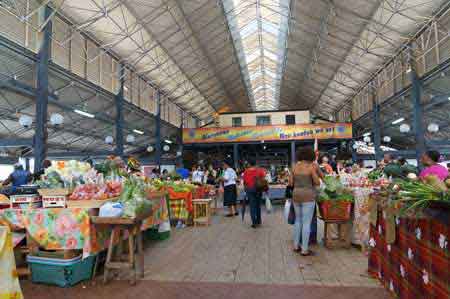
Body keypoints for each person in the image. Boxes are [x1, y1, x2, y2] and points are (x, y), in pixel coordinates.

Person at [290, 147, 321, 256]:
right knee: (306, 222)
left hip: (296, 195)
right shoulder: (311, 167)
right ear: (311, 156)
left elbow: (290, 183)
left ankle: (295, 245)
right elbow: (317, 182)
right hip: (308, 195)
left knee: (298, 220)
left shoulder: (294, 167)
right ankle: (304, 249)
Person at [242, 158, 266, 228]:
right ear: (255, 163)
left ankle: (254, 223)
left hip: (250, 190)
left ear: (249, 164)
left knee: (252, 206)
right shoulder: (259, 170)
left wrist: (245, 190)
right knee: (258, 206)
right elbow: (264, 178)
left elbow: (245, 182)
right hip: (258, 189)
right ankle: (259, 221)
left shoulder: (246, 172)